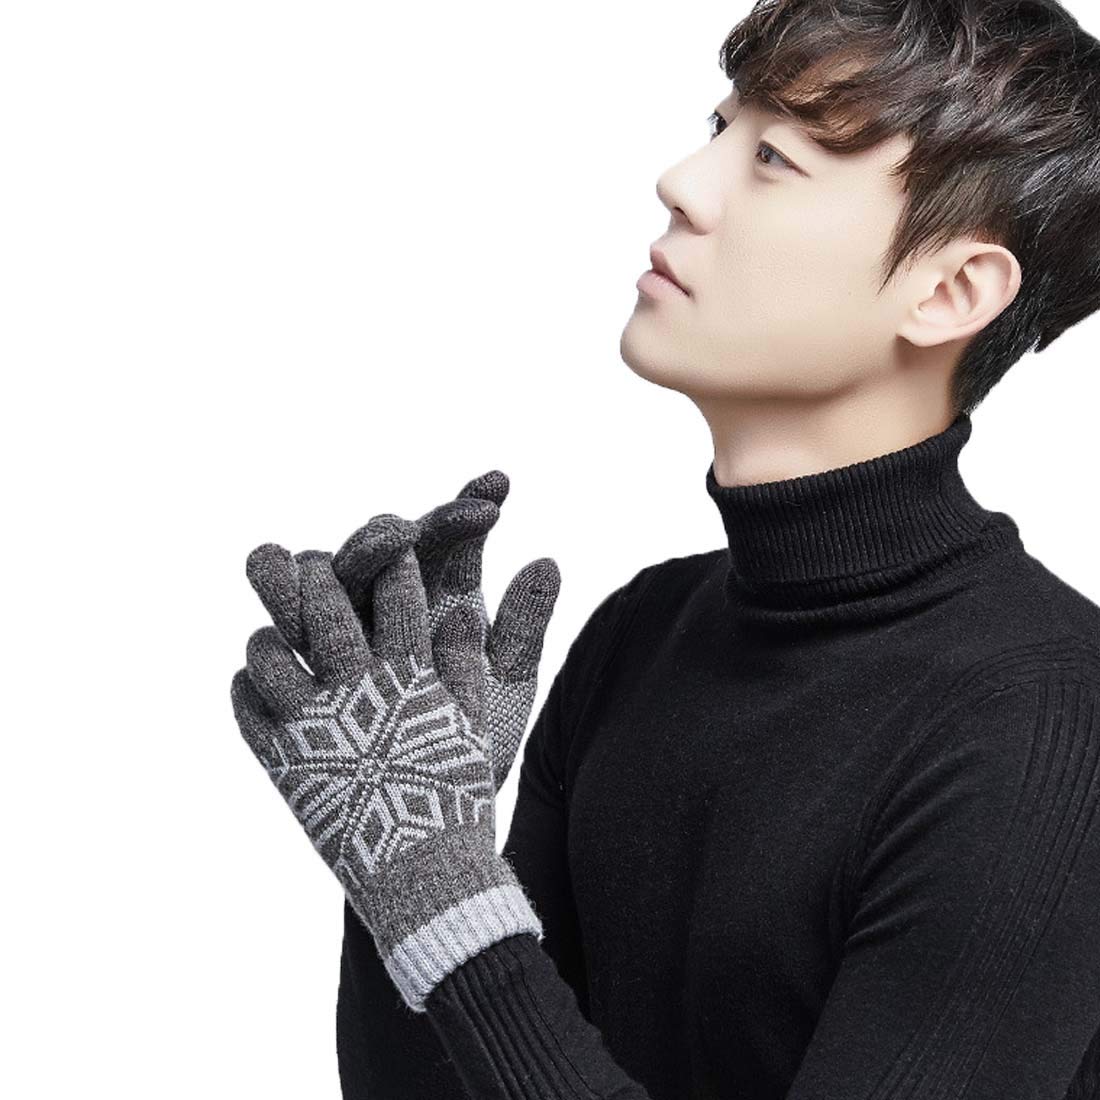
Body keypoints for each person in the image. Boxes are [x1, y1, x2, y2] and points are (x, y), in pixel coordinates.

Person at [233, 0, 1100, 1096]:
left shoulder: (1049, 723)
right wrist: (404, 864)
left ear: (950, 291)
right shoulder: (639, 634)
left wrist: (449, 898)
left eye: (776, 158)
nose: (682, 182)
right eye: (719, 126)